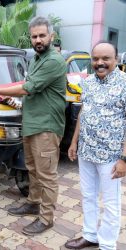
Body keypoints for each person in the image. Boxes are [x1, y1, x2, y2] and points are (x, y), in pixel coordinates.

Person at [0, 16, 66, 235]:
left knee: (47, 175)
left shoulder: (53, 61)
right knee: (33, 169)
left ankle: (46, 218)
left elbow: (28, 88)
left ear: (51, 36)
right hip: (32, 124)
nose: (38, 39)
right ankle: (33, 202)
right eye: (34, 36)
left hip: (46, 127)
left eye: (42, 35)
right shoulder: (37, 59)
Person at [64, 41, 126, 250]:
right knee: (87, 195)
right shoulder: (88, 82)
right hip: (86, 150)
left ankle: (107, 245)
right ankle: (90, 235)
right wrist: (74, 142)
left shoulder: (125, 83)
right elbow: (83, 112)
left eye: (105, 58)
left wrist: (124, 159)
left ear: (115, 60)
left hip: (111, 155)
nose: (100, 63)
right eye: (96, 58)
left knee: (110, 203)